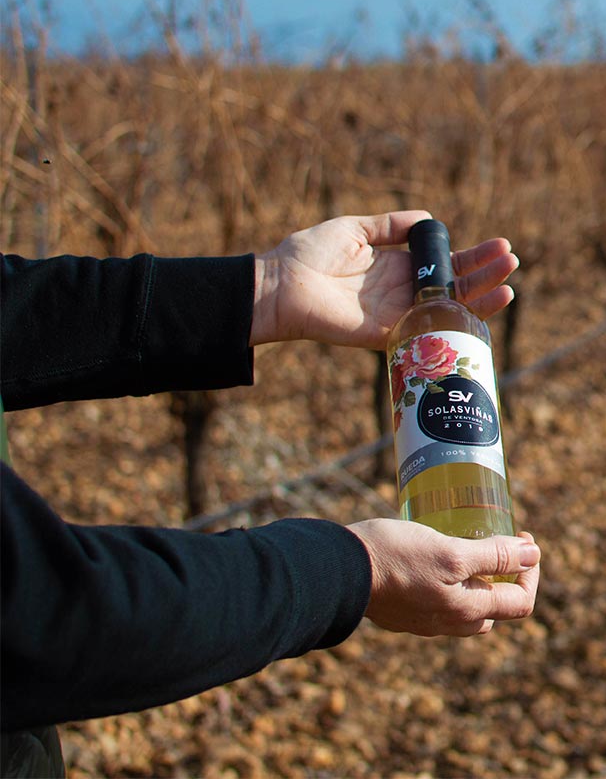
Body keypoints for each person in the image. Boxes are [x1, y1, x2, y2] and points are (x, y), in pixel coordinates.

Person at [0, 210, 541, 778]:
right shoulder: (419, 324)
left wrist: (268, 286)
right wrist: (355, 571)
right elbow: (44, 606)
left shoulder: (448, 320)